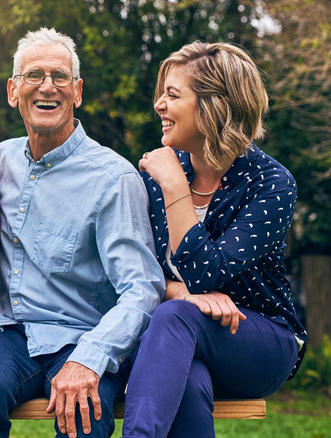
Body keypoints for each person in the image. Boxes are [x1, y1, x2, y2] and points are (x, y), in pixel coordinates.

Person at [0, 28, 165, 438]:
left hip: (85, 334)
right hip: (10, 333)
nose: (47, 86)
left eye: (60, 76)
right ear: (14, 91)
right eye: (34, 75)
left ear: (78, 91)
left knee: (87, 410)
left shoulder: (114, 178)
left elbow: (142, 289)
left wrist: (90, 357)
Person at [122, 42, 307, 438]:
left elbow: (208, 275)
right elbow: (132, 273)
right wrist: (179, 293)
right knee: (187, 380)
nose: (159, 104)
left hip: (260, 338)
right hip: (179, 337)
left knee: (174, 320)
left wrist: (175, 187)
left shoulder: (271, 183)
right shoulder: (154, 178)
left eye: (173, 95)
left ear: (214, 105)